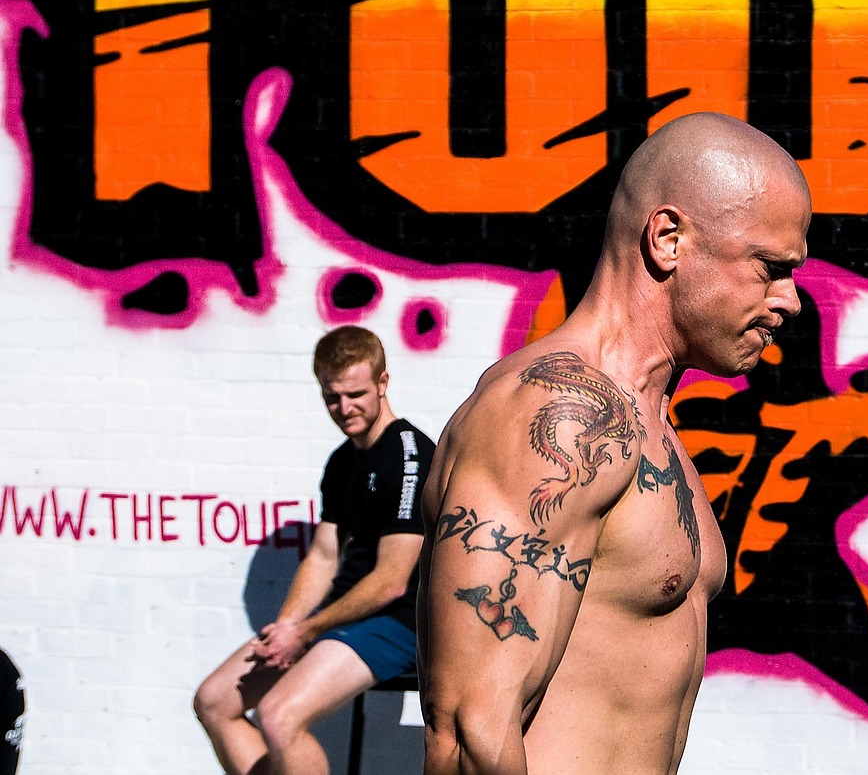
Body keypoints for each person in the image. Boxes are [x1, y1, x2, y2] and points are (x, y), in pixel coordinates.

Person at [416, 112, 812, 774]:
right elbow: (470, 734)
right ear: (668, 238)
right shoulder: (558, 413)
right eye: (769, 267)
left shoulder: (646, 422)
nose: (790, 300)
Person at [195, 326, 435, 775]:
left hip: (399, 623)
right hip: (342, 616)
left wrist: (305, 632)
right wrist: (288, 626)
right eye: (331, 397)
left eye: (356, 394)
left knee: (278, 717)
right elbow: (324, 556)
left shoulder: (409, 457)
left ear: (383, 382)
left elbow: (392, 582)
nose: (344, 408)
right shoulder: (342, 461)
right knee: (213, 701)